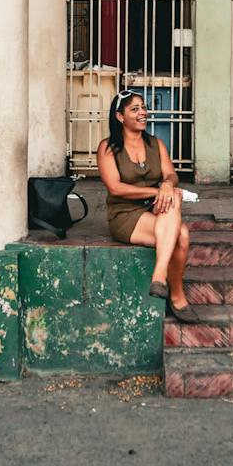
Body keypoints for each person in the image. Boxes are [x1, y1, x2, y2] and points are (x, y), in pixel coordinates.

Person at [95, 90, 194, 321]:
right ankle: (176, 295)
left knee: (173, 198)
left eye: (143, 108)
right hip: (125, 214)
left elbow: (171, 174)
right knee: (182, 235)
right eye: (135, 109)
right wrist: (157, 191)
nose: (143, 113)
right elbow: (116, 188)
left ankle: (160, 279)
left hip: (154, 208)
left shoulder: (155, 144)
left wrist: (168, 185)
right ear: (120, 117)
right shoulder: (108, 148)